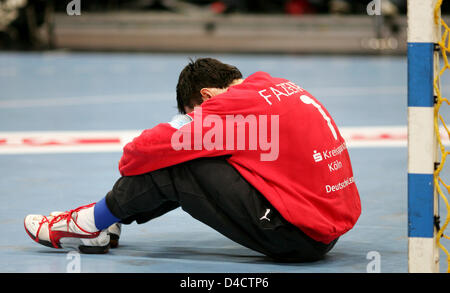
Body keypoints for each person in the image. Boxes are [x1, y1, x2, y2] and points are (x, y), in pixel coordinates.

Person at [24, 58, 361, 262]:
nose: (197, 121)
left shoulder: (227, 107)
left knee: (181, 164)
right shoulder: (277, 86)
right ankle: (110, 218)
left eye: (193, 115)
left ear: (207, 96)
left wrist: (186, 129)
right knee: (204, 159)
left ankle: (89, 223)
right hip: (322, 228)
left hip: (297, 236)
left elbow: (135, 156)